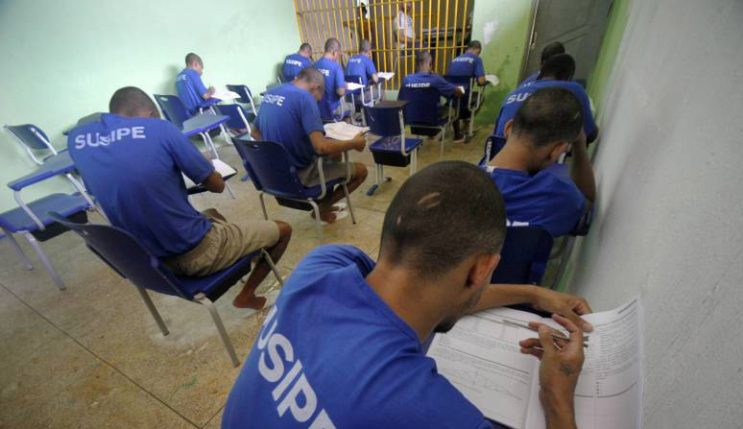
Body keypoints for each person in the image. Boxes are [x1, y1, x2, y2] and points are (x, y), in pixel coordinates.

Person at [222, 160, 591, 428]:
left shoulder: (322, 265)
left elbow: (420, 292)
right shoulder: (426, 410)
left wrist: (533, 294)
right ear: (482, 269)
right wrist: (557, 397)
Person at [67, 87, 292, 310]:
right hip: (192, 254)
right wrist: (199, 163)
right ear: (151, 114)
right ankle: (247, 296)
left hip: (147, 263)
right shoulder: (159, 129)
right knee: (282, 230)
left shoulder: (80, 140)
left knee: (213, 215)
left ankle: (241, 254)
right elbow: (217, 186)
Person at [251, 68, 368, 224]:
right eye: (318, 99)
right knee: (361, 171)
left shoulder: (272, 92)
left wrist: (280, 152)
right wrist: (354, 143)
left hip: (273, 174)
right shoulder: (305, 98)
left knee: (335, 155)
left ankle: (323, 204)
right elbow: (321, 147)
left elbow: (255, 133)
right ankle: (321, 209)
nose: (317, 102)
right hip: (299, 175)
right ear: (315, 87)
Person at [488, 87, 596, 238]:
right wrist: (579, 144)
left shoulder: (459, 184)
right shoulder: (556, 195)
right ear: (557, 150)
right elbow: (588, 201)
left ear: (508, 128)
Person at [494, 53, 598, 143]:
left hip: (496, 150)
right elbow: (590, 134)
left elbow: (497, 132)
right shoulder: (572, 88)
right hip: (530, 157)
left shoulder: (514, 92)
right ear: (568, 77)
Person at [401, 51, 465, 141]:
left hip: (410, 120)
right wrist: (461, 89)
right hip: (432, 120)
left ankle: (430, 136)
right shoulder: (435, 79)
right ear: (430, 64)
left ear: (416, 64)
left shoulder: (406, 79)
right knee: (452, 108)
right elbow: (457, 92)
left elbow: (400, 100)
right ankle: (457, 135)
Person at [446, 40, 489, 142]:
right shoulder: (476, 59)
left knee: (456, 102)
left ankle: (458, 130)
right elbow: (481, 81)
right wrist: (487, 81)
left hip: (451, 97)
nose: (478, 54)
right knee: (480, 97)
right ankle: (467, 122)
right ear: (476, 49)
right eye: (478, 52)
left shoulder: (454, 60)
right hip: (465, 99)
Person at [313, 38, 347, 121]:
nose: (337, 57)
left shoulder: (314, 65)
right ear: (333, 52)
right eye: (338, 54)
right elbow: (341, 92)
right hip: (332, 109)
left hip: (317, 109)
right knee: (351, 107)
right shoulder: (336, 67)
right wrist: (345, 86)